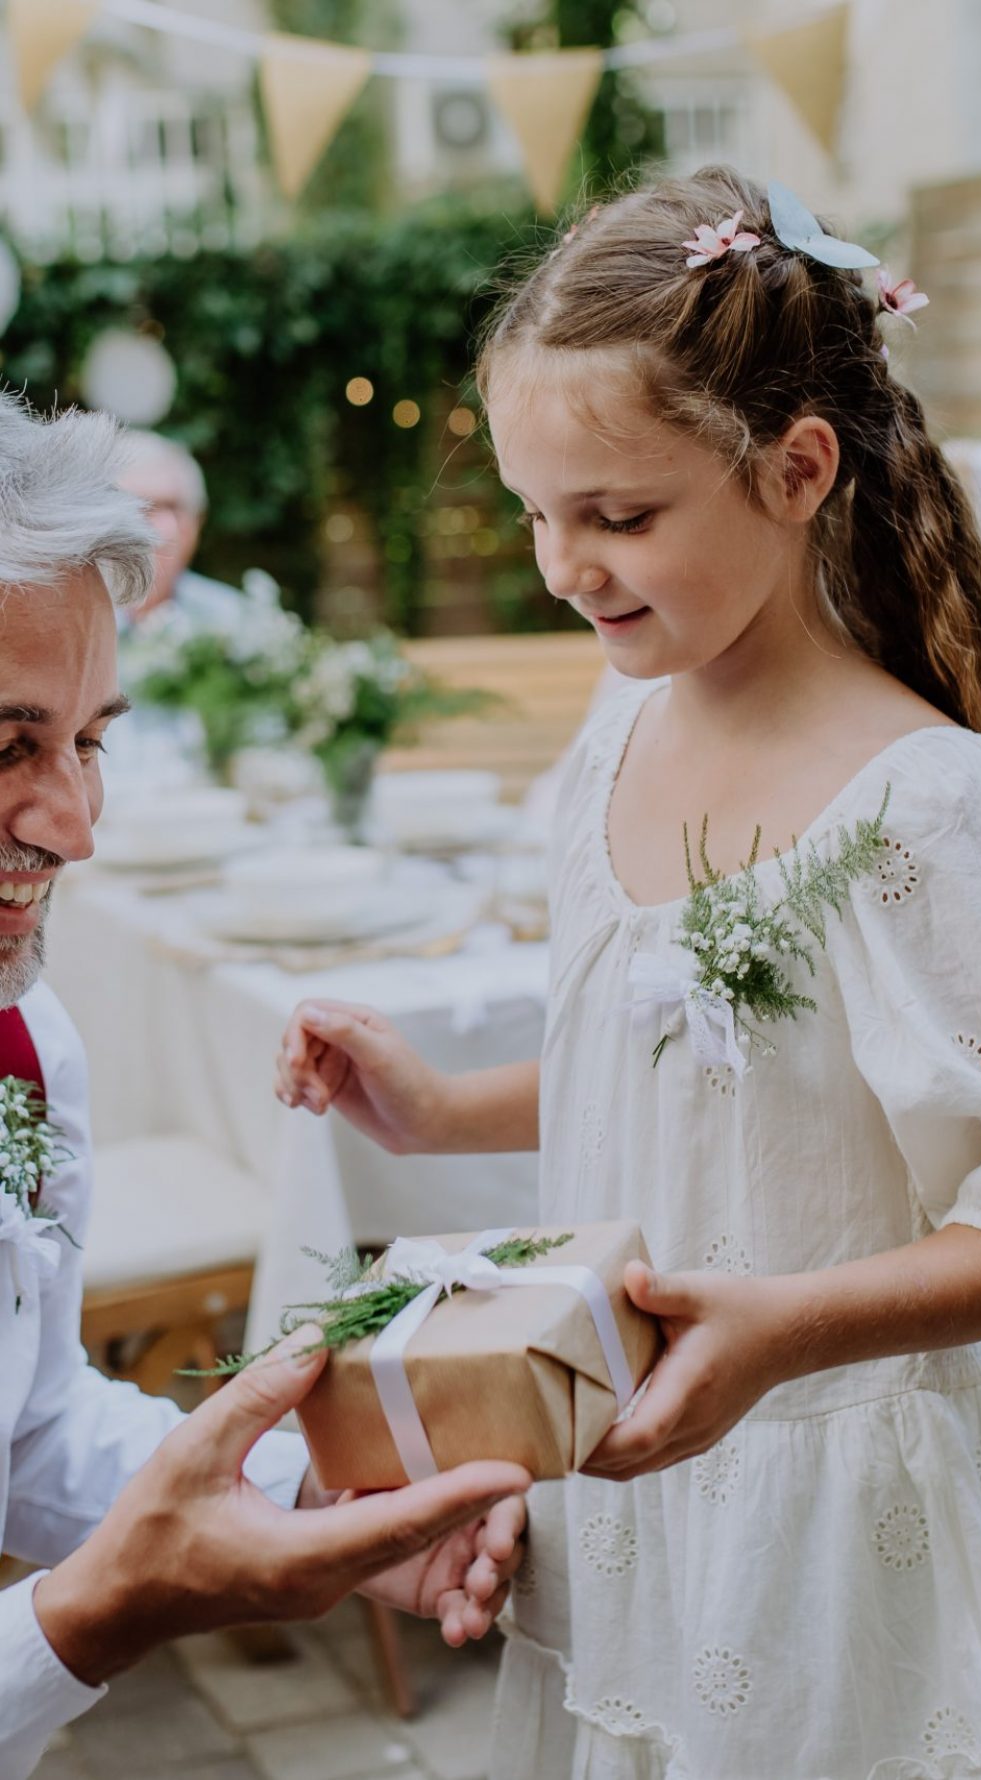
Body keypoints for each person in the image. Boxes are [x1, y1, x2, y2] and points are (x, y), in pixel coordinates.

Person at [275, 166, 981, 1779]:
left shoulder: (923, 808)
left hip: (836, 1540)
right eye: (535, 512)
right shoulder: (613, 735)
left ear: (793, 470)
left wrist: (777, 1333)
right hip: (638, 1523)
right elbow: (682, 1074)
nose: (560, 565)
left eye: (615, 516)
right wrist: (434, 1110)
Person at [0, 392, 529, 1780]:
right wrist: (93, 1614)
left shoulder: (27, 1045)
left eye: (89, 739)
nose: (75, 827)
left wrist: (313, 1508)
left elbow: (32, 1419)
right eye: (8, 747)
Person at [117, 429, 241, 628]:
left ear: (197, 522)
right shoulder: (71, 620)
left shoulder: (233, 618)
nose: (163, 528)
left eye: (172, 508)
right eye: (139, 508)